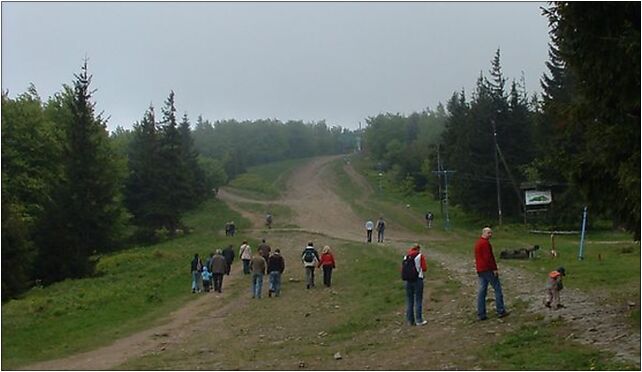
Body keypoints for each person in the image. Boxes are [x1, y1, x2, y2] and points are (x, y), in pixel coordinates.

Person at [474, 227, 508, 320]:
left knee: (482, 291)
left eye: (491, 233)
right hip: (488, 269)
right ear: (484, 233)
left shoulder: (478, 243)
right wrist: (494, 269)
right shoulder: (485, 243)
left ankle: (481, 313)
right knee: (497, 289)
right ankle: (500, 310)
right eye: (489, 233)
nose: (490, 235)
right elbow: (488, 258)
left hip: (480, 269)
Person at [402, 244, 428, 326]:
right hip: (418, 279)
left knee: (409, 301)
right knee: (418, 300)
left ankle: (410, 321)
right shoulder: (420, 256)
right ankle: (419, 320)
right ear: (418, 249)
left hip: (408, 280)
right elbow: (424, 268)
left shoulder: (406, 256)